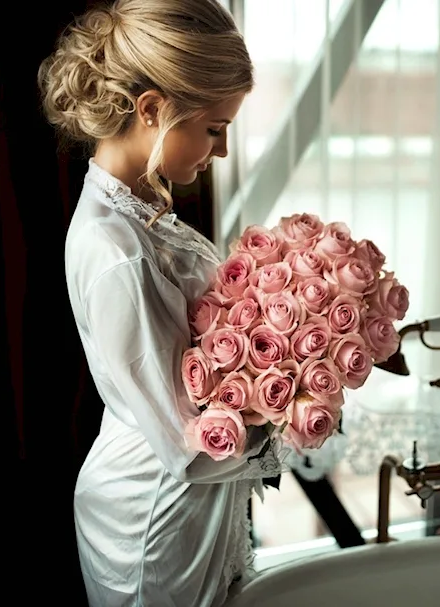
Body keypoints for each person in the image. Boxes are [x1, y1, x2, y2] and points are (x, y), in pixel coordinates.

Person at [38, 1, 286, 605]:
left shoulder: (140, 213)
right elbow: (186, 444)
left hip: (187, 504)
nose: (220, 152)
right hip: (153, 517)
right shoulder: (115, 248)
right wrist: (299, 397)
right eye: (214, 129)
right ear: (152, 111)